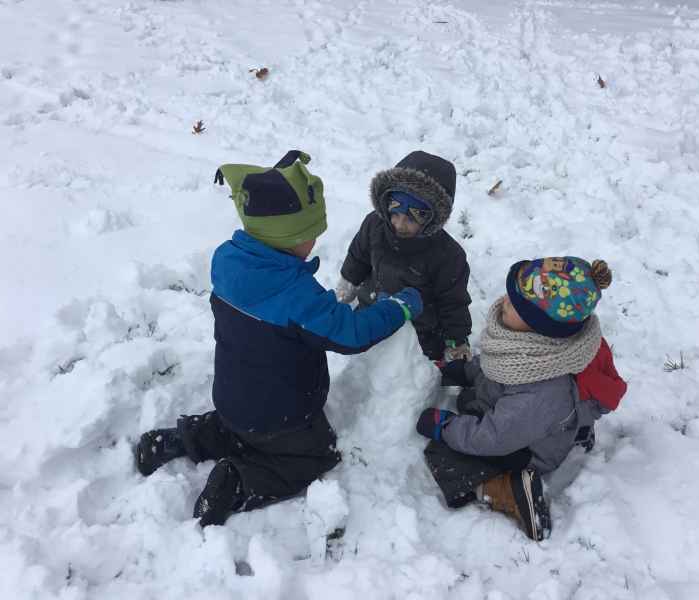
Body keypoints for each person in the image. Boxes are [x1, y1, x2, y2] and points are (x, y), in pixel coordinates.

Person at [135, 150, 423, 527]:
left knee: (234, 426)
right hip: (285, 415)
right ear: (291, 238)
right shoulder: (298, 296)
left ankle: (181, 439)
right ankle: (238, 483)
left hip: (231, 397)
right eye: (311, 235)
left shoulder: (227, 259)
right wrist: (399, 307)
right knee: (312, 455)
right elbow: (351, 333)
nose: (316, 241)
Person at [415, 257, 626, 540]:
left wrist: (447, 428)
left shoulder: (541, 388)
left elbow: (492, 438)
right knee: (478, 403)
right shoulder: (539, 351)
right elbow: (499, 364)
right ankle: (576, 430)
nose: (504, 301)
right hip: (537, 422)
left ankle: (506, 489)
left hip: (527, 448)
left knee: (445, 456)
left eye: (514, 304)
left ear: (540, 329)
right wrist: (468, 370)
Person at [334, 151, 472, 364]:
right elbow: (358, 257)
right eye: (395, 214)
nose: (399, 225)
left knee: (410, 377)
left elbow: (453, 302)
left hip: (419, 332)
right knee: (361, 360)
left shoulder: (448, 256)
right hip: (371, 309)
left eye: (410, 219)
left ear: (432, 218)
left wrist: (456, 341)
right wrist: (347, 284)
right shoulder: (375, 224)